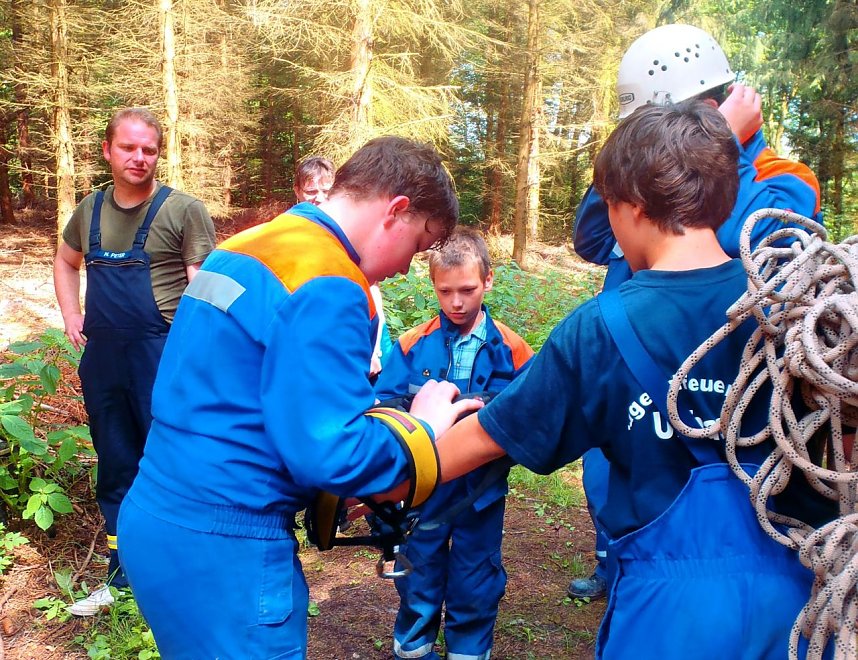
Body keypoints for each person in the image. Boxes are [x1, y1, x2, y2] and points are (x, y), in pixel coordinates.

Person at [417, 101, 834, 659]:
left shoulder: (601, 328)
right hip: (802, 604)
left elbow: (489, 437)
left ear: (630, 206)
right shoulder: (801, 307)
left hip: (668, 618)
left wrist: (413, 446)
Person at [116, 136, 482, 658]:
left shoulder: (243, 246)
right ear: (397, 211)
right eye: (419, 245)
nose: (406, 269)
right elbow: (333, 451)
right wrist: (420, 427)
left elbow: (243, 395)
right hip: (228, 549)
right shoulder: (330, 281)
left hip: (156, 519)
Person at [568, 23, 823, 601]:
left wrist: (718, 150)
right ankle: (620, 569)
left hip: (719, 388)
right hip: (637, 364)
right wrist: (637, 159)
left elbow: (749, 245)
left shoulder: (785, 178)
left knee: (703, 509)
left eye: (666, 126)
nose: (657, 141)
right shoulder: (645, 177)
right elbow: (590, 236)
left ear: (714, 108)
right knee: (617, 485)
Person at [52, 107, 216, 616]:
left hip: (162, 358)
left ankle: (187, 577)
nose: (139, 158)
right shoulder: (90, 209)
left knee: (173, 465)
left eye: (149, 149)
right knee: (117, 468)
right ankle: (122, 579)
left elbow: (204, 290)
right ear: (108, 150)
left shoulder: (183, 210)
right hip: (104, 360)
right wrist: (72, 313)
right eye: (129, 147)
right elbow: (64, 259)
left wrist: (204, 361)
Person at [375, 227, 533, 660]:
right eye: (446, 292)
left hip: (482, 489)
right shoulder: (412, 344)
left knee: (476, 574)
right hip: (424, 489)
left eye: (467, 289)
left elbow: (533, 410)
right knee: (418, 569)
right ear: (434, 287)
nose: (457, 302)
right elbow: (385, 406)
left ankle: (468, 650)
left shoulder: (513, 348)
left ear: (488, 280)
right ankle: (413, 648)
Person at [292, 154, 392, 378]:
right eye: (310, 192)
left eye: (326, 191)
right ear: (297, 191)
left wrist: (373, 349)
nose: (318, 198)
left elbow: (370, 287)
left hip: (365, 327)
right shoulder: (290, 231)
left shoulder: (346, 231)